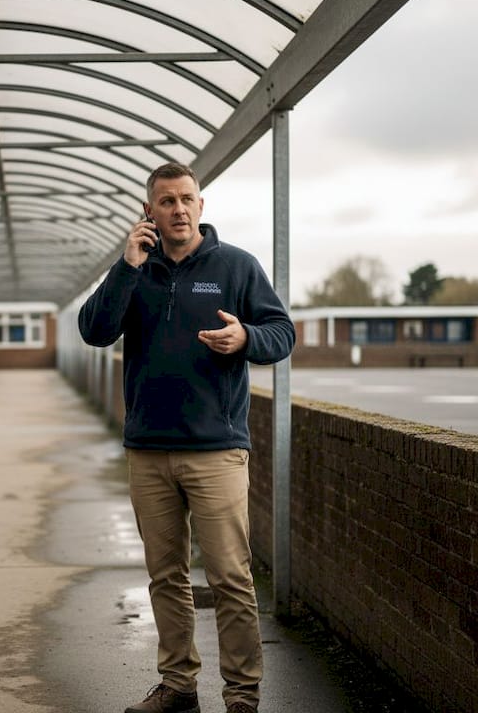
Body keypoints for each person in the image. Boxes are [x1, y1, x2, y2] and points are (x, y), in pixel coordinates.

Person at [78, 162, 295, 713]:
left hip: (216, 450)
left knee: (229, 575)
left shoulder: (235, 266)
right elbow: (95, 330)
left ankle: (242, 695)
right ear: (148, 211)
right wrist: (126, 267)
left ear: (201, 206)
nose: (177, 210)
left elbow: (282, 333)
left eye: (186, 200)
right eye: (166, 201)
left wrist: (245, 335)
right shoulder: (134, 270)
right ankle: (178, 687)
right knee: (165, 575)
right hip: (148, 449)